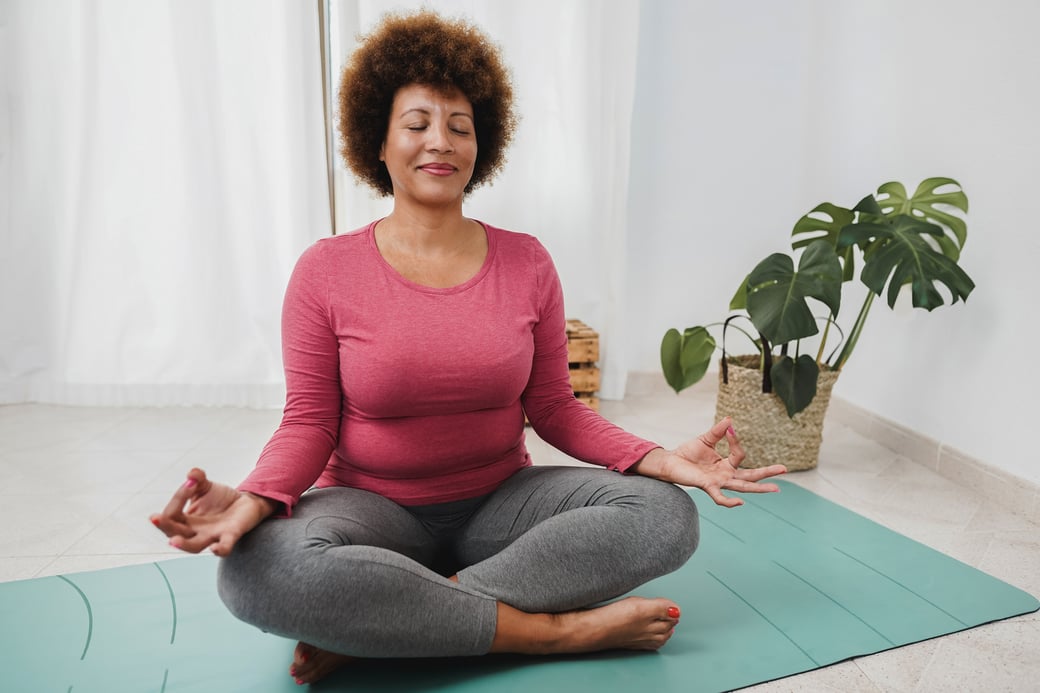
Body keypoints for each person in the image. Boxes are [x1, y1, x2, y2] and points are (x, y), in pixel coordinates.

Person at [150, 9, 786, 686]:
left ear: (483, 145)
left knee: (666, 516)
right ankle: (547, 634)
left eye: (460, 126)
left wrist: (655, 457)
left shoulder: (528, 262)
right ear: (381, 141)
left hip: (500, 504)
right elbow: (308, 421)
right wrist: (256, 498)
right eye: (418, 123)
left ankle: (397, 622)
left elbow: (556, 408)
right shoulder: (325, 270)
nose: (440, 142)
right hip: (369, 510)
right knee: (253, 570)